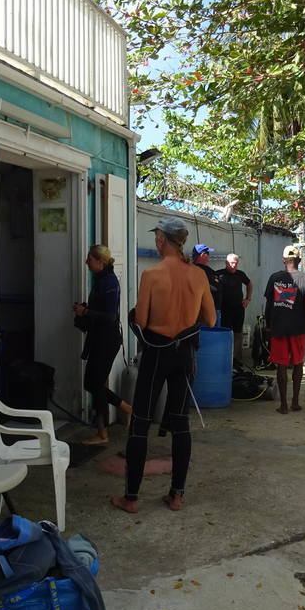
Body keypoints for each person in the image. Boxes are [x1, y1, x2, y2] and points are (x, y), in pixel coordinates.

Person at [111, 216, 215, 514]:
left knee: (140, 423)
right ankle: (177, 495)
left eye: (157, 237)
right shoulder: (198, 276)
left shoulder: (152, 275)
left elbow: (141, 322)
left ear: (161, 240)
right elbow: (209, 320)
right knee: (181, 424)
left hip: (157, 353)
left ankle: (131, 498)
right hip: (184, 355)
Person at [72, 245, 131, 445]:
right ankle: (125, 408)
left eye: (90, 259)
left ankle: (103, 433)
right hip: (100, 338)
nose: (87, 262)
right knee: (92, 383)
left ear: (101, 261)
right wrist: (85, 310)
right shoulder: (100, 280)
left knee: (94, 384)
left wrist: (86, 312)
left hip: (107, 340)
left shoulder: (109, 281)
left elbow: (110, 315)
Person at [263, 245, 305, 414]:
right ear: (299, 260)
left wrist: (268, 325)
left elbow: (269, 305)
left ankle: (283, 405)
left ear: (284, 260)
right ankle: (295, 402)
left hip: (278, 328)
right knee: (298, 364)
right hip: (298, 329)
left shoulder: (274, 277)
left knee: (281, 366)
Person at [217, 253, 253, 365]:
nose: (234, 265)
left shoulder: (240, 274)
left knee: (238, 333)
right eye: (232, 263)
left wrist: (248, 299)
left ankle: (237, 359)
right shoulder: (219, 274)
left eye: (236, 263)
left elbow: (249, 284)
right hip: (224, 309)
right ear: (226, 263)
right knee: (225, 333)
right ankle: (225, 357)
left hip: (238, 308)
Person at [192, 243, 220, 320]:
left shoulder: (203, 269)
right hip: (206, 310)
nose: (209, 256)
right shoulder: (197, 270)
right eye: (207, 253)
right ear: (202, 254)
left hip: (211, 309)